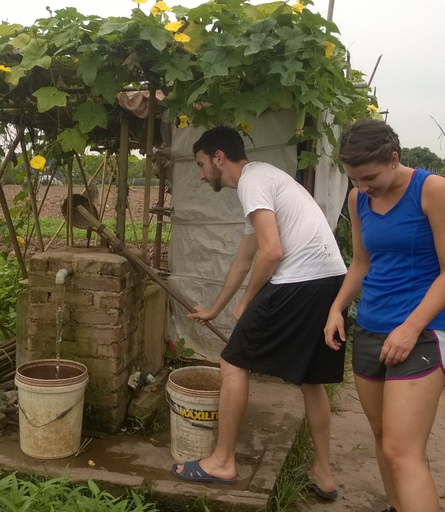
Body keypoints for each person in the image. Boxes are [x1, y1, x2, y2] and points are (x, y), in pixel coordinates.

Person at [171, 126, 347, 502]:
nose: (201, 175)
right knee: (311, 379)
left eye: (202, 165)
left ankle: (222, 462)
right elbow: (243, 259)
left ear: (220, 157)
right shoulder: (265, 180)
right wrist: (216, 309)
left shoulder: (253, 182)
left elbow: (271, 252)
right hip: (328, 281)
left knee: (232, 363)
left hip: (299, 281)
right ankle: (324, 473)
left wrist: (248, 301)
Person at [324, 119, 445, 512]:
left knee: (401, 449)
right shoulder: (358, 200)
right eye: (354, 179)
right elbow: (361, 263)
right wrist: (335, 308)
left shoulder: (432, 190)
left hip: (421, 330)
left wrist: (411, 328)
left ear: (394, 159)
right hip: (371, 327)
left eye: (369, 177)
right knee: (381, 435)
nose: (363, 187)